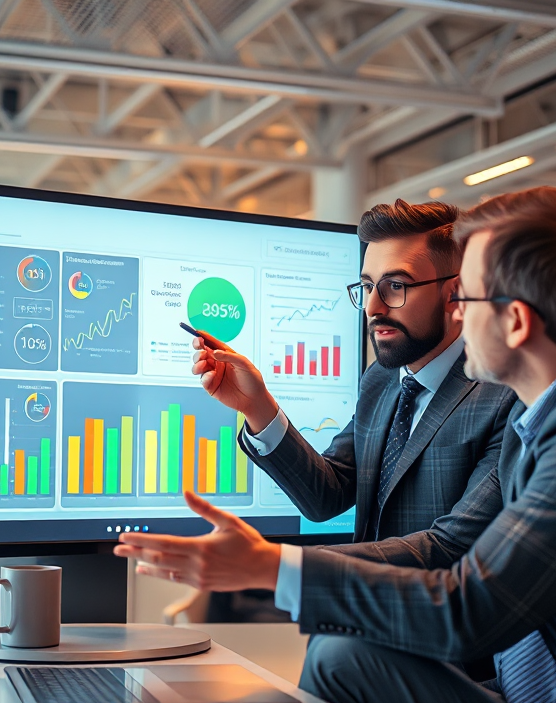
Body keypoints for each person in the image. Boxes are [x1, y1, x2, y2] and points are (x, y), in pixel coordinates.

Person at [115, 187, 556, 703]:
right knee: (342, 657)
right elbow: (454, 545)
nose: (458, 313)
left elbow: (469, 608)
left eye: (467, 296)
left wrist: (268, 568)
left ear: (514, 319)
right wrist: (275, 558)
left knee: (340, 660)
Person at [192, 199, 515, 545]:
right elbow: (326, 495)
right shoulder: (381, 380)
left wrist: (277, 565)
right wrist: (257, 407)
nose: (373, 308)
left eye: (396, 286)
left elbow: (450, 547)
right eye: (367, 287)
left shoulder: (504, 396)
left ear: (454, 294)